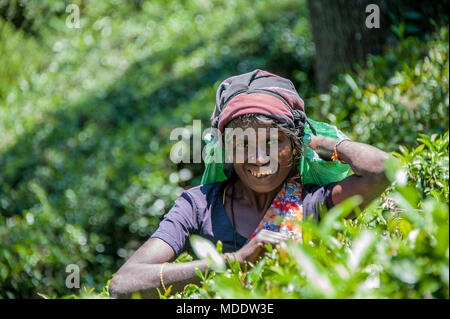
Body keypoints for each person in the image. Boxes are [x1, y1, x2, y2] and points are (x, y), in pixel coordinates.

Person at [108, 69, 391, 298]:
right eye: (242, 144)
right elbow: (122, 284)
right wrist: (235, 261)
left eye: (272, 142)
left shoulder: (312, 202)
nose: (258, 159)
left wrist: (318, 141)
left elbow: (383, 171)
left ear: (293, 147)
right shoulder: (199, 205)